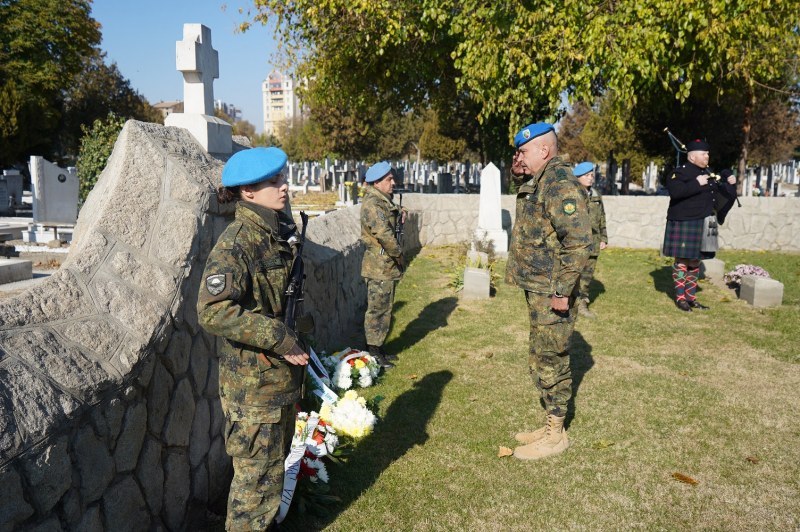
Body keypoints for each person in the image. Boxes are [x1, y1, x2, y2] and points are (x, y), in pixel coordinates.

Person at [197, 146, 310, 531]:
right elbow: (213, 310)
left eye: (283, 178)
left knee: (269, 480)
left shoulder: (275, 232)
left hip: (276, 386)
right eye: (274, 181)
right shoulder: (238, 244)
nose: (284, 187)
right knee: (253, 491)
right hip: (253, 393)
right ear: (248, 192)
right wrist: (278, 335)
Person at [506, 123, 591, 460]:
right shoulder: (542, 181)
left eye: (524, 152)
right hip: (538, 288)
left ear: (544, 150)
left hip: (552, 292)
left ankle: (556, 434)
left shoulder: (559, 183)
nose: (519, 157)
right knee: (540, 356)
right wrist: (517, 172)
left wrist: (561, 291)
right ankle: (549, 423)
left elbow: (578, 241)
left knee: (552, 359)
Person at [662, 139, 736, 312]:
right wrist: (697, 183)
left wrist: (729, 182)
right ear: (692, 156)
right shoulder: (680, 172)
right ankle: (680, 298)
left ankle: (691, 297)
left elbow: (718, 195)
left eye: (708, 153)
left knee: (695, 260)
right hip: (684, 221)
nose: (707, 156)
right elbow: (675, 192)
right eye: (704, 154)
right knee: (682, 259)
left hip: (705, 221)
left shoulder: (709, 173)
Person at [360, 161, 404, 369]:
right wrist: (398, 253)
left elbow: (388, 215)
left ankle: (379, 347)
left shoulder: (381, 201)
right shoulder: (373, 204)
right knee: (377, 310)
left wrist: (400, 210)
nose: (393, 183)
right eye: (389, 180)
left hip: (384, 265)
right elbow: (384, 233)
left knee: (385, 309)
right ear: (377, 182)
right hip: (379, 266)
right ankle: (373, 352)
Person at [573, 161, 608, 319]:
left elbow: (602, 217)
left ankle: (582, 304)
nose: (590, 178)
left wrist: (603, 237)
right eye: (587, 175)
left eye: (592, 175)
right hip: (575, 243)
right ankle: (567, 303)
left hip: (593, 242)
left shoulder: (596, 195)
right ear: (578, 177)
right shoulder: (571, 194)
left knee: (586, 276)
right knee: (572, 274)